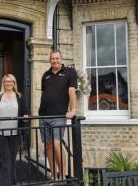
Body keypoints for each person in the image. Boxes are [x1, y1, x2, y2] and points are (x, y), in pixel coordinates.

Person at [39, 50, 77, 180]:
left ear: (61, 59)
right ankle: (54, 175)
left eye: (57, 58)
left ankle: (62, 176)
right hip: (43, 116)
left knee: (57, 144)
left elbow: (72, 91)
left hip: (59, 116)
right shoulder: (46, 75)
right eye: (53, 58)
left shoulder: (70, 72)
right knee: (48, 145)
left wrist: (73, 110)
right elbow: (44, 93)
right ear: (50, 60)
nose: (55, 60)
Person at [0, 74, 29, 186]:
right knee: (3, 159)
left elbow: (25, 111)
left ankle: (11, 181)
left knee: (11, 159)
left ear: (14, 83)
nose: (9, 83)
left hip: (15, 133)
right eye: (6, 81)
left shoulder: (20, 96)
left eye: (11, 81)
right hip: (0, 133)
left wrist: (26, 117)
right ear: (3, 83)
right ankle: (3, 182)